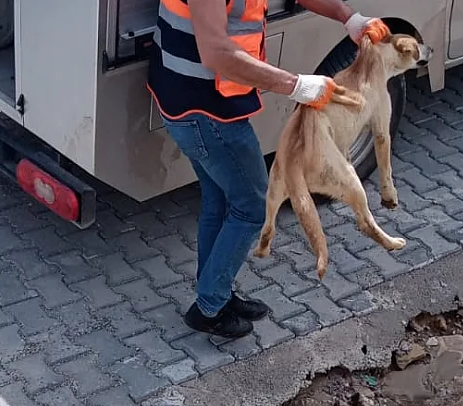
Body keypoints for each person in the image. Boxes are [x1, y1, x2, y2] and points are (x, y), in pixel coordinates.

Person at [147, 0, 390, 339]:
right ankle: (209, 307)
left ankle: (215, 291)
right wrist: (297, 86)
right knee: (250, 206)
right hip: (205, 114)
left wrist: (349, 17)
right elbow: (216, 53)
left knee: (220, 199)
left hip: (198, 104)